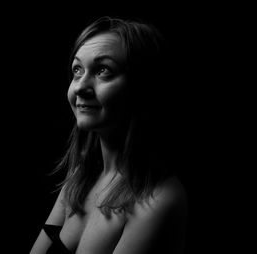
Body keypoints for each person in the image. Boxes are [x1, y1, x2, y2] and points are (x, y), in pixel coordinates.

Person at [30, 16, 188, 254]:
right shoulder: (79, 180)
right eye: (77, 70)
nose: (81, 86)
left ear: (143, 85)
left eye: (103, 70)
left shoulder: (159, 201)